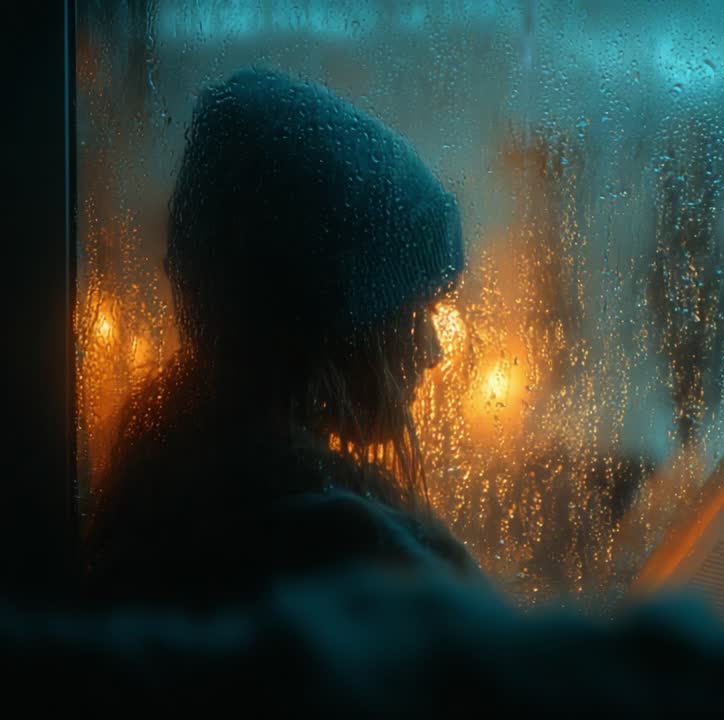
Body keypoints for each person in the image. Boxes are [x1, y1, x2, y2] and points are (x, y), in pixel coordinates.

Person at [82, 67, 485, 607]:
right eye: (414, 313)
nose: (433, 351)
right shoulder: (369, 562)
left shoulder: (154, 511)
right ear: (334, 326)